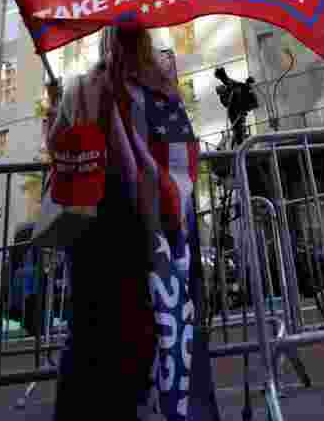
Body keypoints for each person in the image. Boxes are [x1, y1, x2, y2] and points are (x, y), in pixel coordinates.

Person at [46, 26, 220, 421]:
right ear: (144, 40)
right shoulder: (163, 89)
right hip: (160, 227)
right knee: (170, 330)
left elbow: (58, 148)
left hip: (97, 227)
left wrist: (62, 109)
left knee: (93, 334)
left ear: (105, 41)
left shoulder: (82, 88)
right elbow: (184, 160)